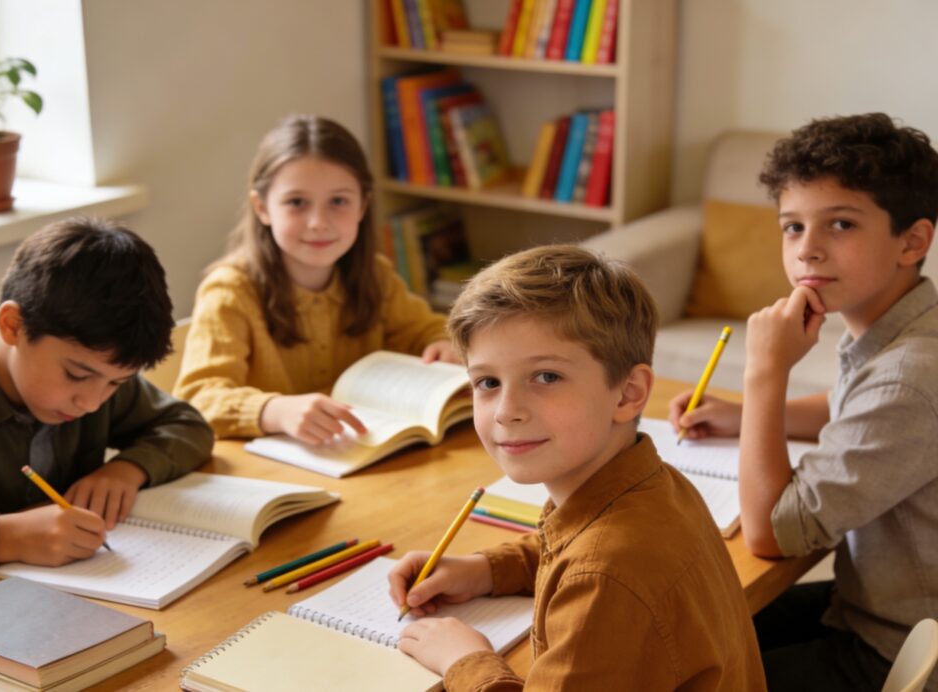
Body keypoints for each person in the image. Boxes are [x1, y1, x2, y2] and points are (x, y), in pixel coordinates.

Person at [388, 245, 766, 691]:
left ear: (627, 393)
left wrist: (467, 661)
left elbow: (596, 572)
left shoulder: (606, 577)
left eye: (545, 377)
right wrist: (486, 570)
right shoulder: (655, 487)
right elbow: (576, 551)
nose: (507, 411)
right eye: (487, 383)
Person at [669, 113, 938, 691]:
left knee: (681, 671)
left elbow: (771, 533)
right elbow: (849, 404)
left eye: (840, 224)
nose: (807, 251)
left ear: (912, 240)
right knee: (682, 631)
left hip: (889, 648)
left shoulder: (909, 376)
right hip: (867, 606)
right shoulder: (902, 327)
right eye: (793, 227)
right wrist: (743, 415)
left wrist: (766, 373)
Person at [0, 218, 214, 579]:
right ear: (13, 326)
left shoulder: (97, 375)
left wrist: (127, 470)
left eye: (117, 383)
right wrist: (5, 537)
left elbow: (187, 425)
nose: (91, 403)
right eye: (76, 375)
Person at [174, 114, 457, 445]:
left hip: (364, 452)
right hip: (271, 472)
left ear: (363, 205)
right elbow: (198, 398)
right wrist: (275, 411)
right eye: (296, 202)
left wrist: (444, 344)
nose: (318, 222)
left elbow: (427, 331)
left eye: (338, 201)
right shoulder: (231, 291)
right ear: (262, 207)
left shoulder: (375, 275)